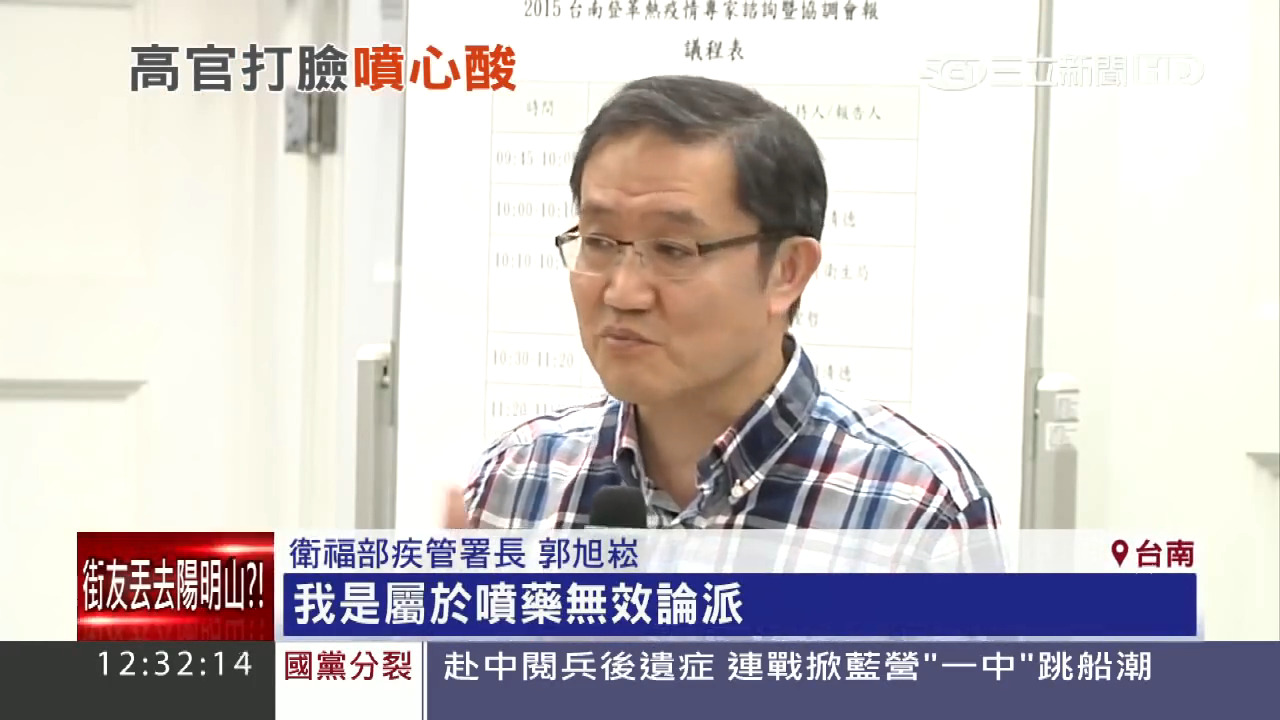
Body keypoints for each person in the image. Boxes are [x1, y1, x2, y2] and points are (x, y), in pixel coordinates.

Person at [452, 75, 999, 536]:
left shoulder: (916, 509)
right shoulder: (516, 480)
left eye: (673, 249)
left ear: (787, 272)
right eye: (598, 241)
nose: (622, 292)